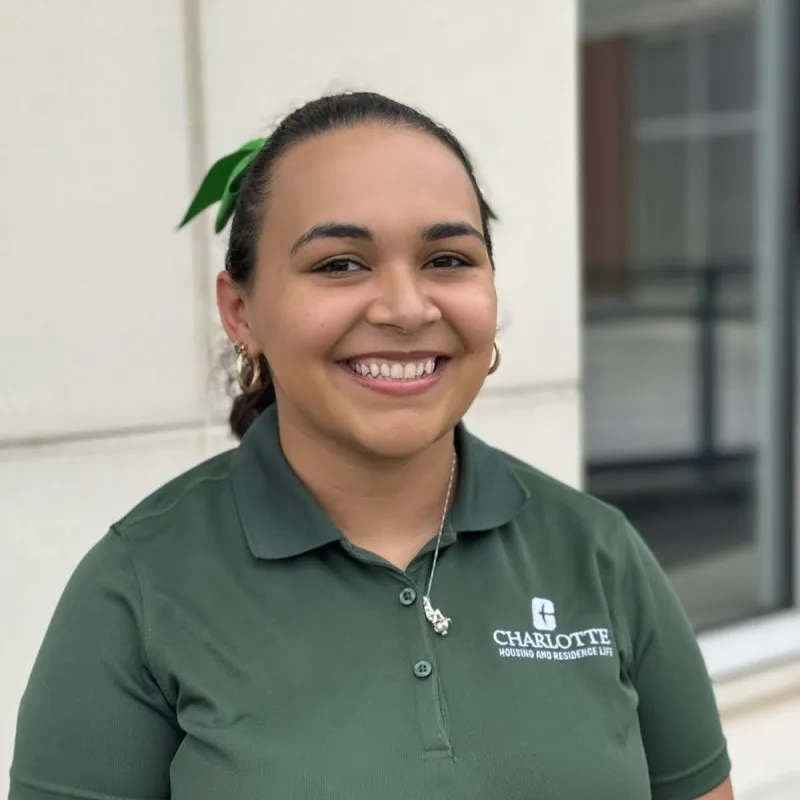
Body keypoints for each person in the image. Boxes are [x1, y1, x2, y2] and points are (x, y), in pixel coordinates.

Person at [9, 92, 734, 800]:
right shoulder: (138, 587)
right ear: (242, 313)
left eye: (447, 259)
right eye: (339, 264)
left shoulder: (597, 553)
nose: (406, 308)